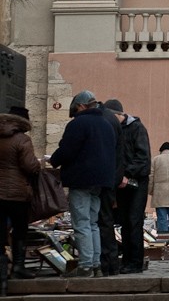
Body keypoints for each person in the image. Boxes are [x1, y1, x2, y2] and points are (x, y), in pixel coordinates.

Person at [49, 91, 117, 278]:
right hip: (101, 181)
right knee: (93, 223)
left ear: (80, 106)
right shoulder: (106, 124)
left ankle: (86, 265)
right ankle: (95, 265)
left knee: (82, 223)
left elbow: (67, 150)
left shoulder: (78, 124)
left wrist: (53, 161)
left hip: (81, 179)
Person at [104, 99, 151, 274]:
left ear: (118, 115)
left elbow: (143, 158)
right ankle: (127, 261)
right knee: (124, 222)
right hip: (121, 184)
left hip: (136, 183)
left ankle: (135, 262)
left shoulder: (137, 128)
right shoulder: (115, 130)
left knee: (134, 221)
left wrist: (127, 174)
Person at [0, 105, 41, 284]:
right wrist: (38, 165)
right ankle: (18, 267)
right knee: (19, 231)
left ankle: (1, 277)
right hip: (17, 194)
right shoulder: (22, 139)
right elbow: (29, 166)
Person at [96, 98, 123, 276]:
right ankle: (111, 262)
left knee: (102, 221)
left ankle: (106, 262)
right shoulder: (112, 121)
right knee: (106, 221)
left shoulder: (104, 120)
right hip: (111, 177)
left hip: (103, 178)